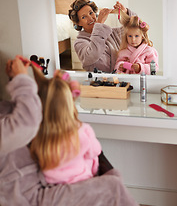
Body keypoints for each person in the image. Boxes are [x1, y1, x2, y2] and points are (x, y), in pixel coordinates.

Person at [0, 55, 139, 206]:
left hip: (46, 178)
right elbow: (95, 151)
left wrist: (15, 80)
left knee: (111, 181)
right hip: (29, 194)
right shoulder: (81, 130)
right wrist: (21, 80)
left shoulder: (43, 133)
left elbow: (18, 119)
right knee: (114, 186)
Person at [29, 69, 102, 184]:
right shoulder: (82, 131)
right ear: (69, 103)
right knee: (92, 157)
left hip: (51, 182)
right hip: (81, 180)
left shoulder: (38, 134)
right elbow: (96, 151)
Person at [68, 0, 136, 73]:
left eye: (91, 13)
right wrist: (99, 23)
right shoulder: (79, 43)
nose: (90, 18)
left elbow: (135, 29)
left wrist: (126, 13)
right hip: (100, 82)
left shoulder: (111, 33)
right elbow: (92, 55)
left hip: (119, 78)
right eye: (84, 17)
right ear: (79, 23)